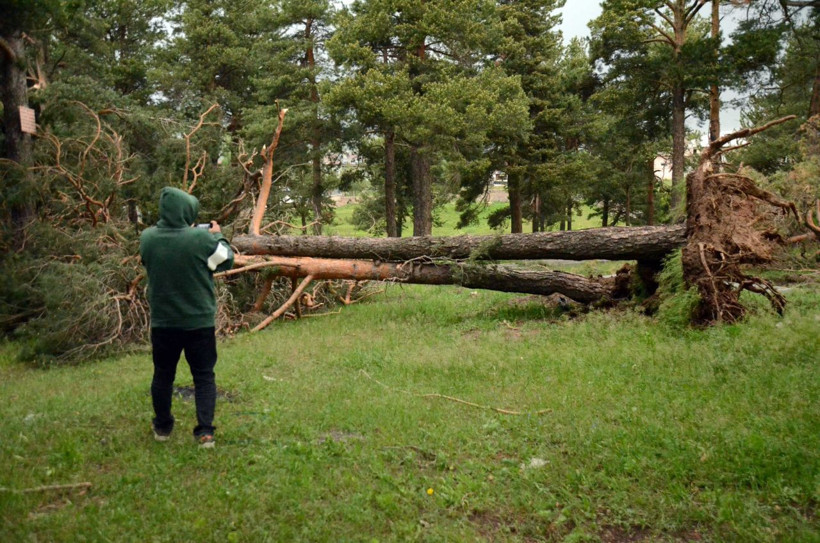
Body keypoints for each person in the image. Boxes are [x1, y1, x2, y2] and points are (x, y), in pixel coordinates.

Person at [139, 187, 234, 448]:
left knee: (162, 375)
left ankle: (162, 427)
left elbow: (150, 259)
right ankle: (205, 432)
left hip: (163, 323)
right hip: (198, 323)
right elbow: (227, 260)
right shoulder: (200, 240)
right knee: (204, 376)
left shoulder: (147, 238)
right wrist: (218, 236)